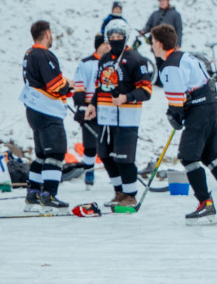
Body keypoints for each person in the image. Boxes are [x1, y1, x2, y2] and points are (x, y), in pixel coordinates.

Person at [152, 23, 217, 225]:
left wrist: (174, 115)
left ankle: (205, 204)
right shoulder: (186, 56)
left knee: (188, 157)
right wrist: (178, 113)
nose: (152, 46)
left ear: (160, 44)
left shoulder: (169, 66)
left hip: (201, 112)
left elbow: (177, 101)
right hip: (212, 108)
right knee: (211, 156)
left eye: (153, 42)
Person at [84, 20, 154, 208]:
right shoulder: (105, 59)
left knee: (123, 158)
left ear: (125, 36)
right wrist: (92, 104)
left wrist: (127, 97)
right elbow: (100, 86)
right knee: (105, 155)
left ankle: (130, 195)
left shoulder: (136, 59)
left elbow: (146, 91)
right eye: (112, 37)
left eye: (118, 37)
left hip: (127, 117)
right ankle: (119, 192)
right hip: (106, 117)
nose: (115, 40)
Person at [19, 20, 72, 211]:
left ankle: (32, 193)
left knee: (41, 154)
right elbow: (55, 84)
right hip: (47, 110)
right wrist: (69, 86)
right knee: (56, 153)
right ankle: (49, 195)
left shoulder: (29, 54)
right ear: (47, 34)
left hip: (34, 110)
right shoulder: (43, 54)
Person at [72, 34, 111, 187]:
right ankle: (89, 172)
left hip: (107, 108)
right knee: (90, 145)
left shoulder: (112, 63)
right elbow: (79, 86)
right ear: (98, 45)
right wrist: (80, 107)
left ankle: (114, 174)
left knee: (109, 144)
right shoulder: (86, 63)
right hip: (89, 108)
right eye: (105, 44)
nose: (108, 46)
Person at [141, 0, 183, 79]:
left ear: (168, 1)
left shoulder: (175, 14)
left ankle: (170, 78)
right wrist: (143, 31)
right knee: (158, 62)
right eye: (160, 0)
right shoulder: (155, 14)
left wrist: (178, 43)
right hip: (156, 44)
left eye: (164, 0)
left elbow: (179, 29)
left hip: (169, 44)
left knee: (169, 62)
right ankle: (160, 79)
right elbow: (149, 26)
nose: (162, 2)